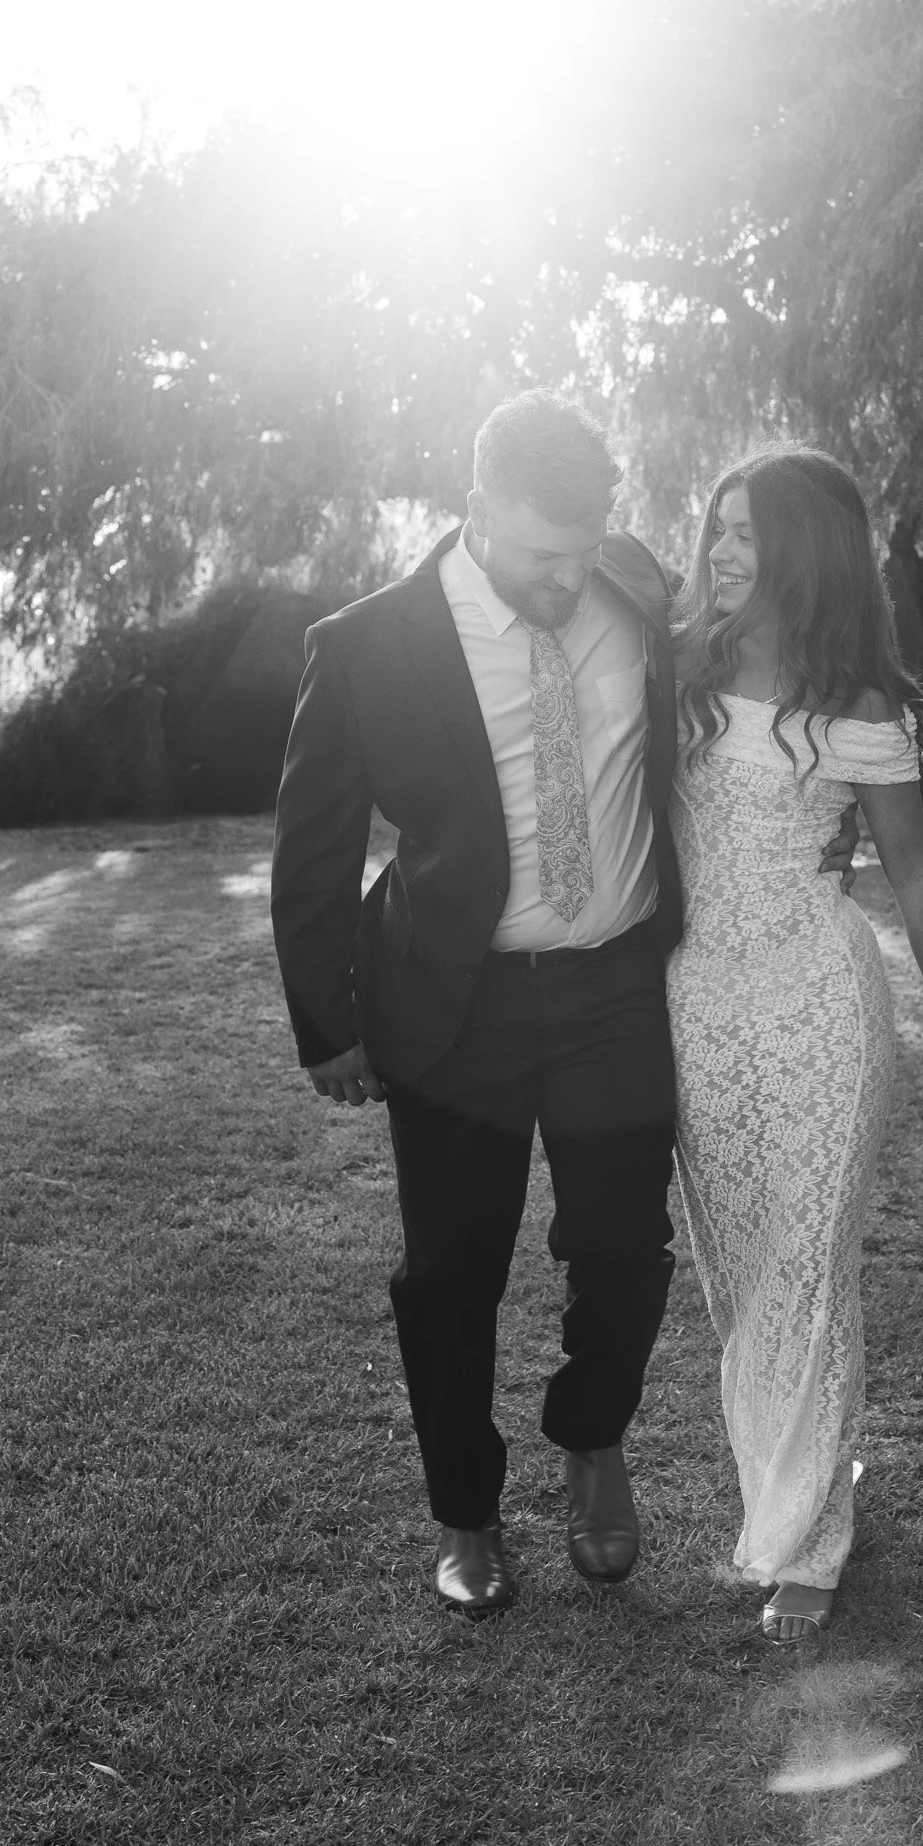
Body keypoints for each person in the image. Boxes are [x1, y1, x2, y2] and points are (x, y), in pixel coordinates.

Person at [270, 391, 684, 1619]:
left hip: (616, 987)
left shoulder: (637, 592)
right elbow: (312, 847)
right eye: (545, 553)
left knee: (624, 1251)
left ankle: (592, 1436)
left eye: (589, 543)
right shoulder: (365, 645)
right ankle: (466, 1511)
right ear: (475, 512)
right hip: (458, 1007)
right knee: (451, 1276)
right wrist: (329, 1022)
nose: (574, 573)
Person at [666, 446, 923, 1644]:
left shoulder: (863, 707)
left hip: (821, 1003)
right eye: (718, 528)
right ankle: (798, 1477)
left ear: (806, 546)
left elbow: (911, 868)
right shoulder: (682, 666)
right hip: (695, 1004)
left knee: (809, 1264)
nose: (725, 549)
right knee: (747, 1277)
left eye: (749, 530)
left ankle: (808, 1539)